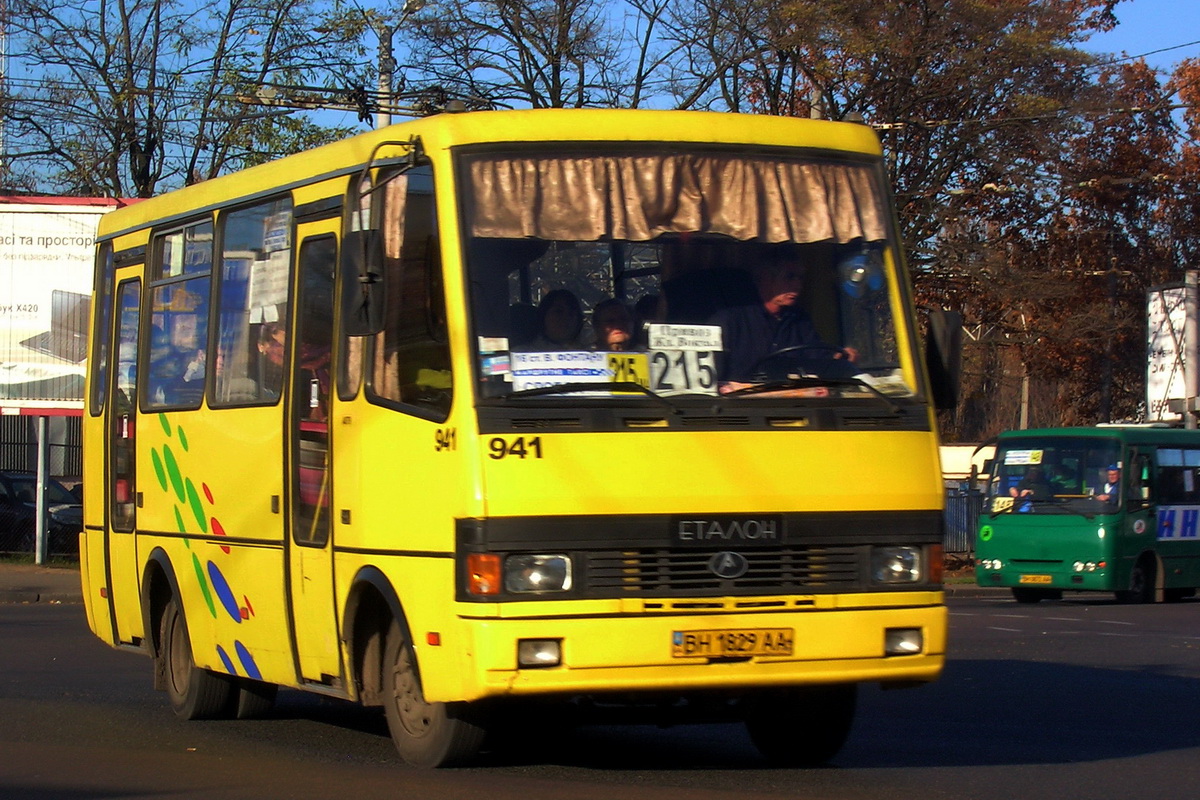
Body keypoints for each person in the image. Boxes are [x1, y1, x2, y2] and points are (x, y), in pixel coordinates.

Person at [709, 244, 857, 385]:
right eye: (790, 277)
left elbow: (816, 356)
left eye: (800, 278)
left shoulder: (799, 320)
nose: (798, 285)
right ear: (766, 278)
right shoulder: (730, 320)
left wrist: (839, 357)